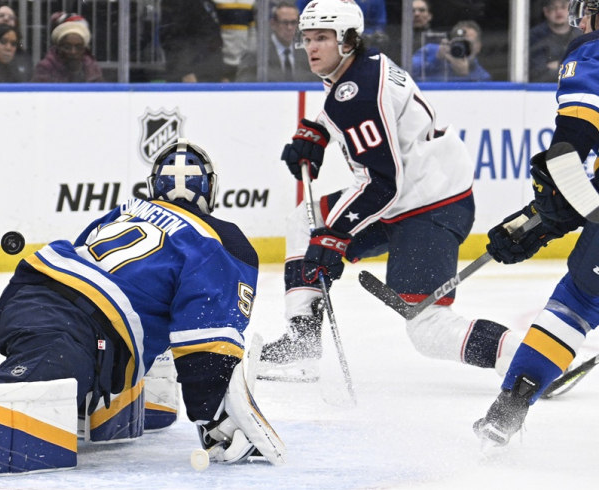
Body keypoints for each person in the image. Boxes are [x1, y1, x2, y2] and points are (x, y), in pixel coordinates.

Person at [256, 0, 521, 383]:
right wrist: (320, 129)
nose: (312, 48)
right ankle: (302, 345)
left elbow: (381, 182)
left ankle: (525, 357)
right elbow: (361, 115)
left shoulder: (359, 94)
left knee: (428, 329)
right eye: (307, 38)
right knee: (304, 220)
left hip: (429, 206)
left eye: (322, 39)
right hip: (411, 194)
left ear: (347, 41)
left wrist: (335, 235)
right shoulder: (365, 64)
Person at [0, 138, 286, 464]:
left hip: (29, 294)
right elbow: (204, 336)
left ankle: (122, 389)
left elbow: (88, 254)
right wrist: (214, 418)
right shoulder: (220, 239)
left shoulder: (128, 209)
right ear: (210, 188)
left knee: (133, 325)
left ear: (154, 186)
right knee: (10, 417)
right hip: (72, 332)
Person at [473, 0, 599, 447]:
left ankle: (511, 406)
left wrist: (546, 217)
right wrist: (539, 224)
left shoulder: (592, 52)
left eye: (587, 13)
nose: (581, 22)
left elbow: (569, 152)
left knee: (579, 302)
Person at [236, 1, 317, 82]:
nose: (289, 27)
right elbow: (243, 89)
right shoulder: (256, 55)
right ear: (273, 23)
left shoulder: (306, 55)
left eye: (293, 22)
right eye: (285, 22)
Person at [158, 0, 228, 82]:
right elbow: (171, 38)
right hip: (190, 76)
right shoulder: (174, 2)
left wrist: (222, 73)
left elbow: (214, 39)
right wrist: (184, 72)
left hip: (211, 72)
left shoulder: (209, 3)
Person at [32, 12, 104, 83]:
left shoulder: (92, 68)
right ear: (58, 47)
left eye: (78, 47)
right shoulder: (46, 67)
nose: (73, 52)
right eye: (67, 47)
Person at [411, 20, 491, 82]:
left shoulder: (482, 76)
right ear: (451, 41)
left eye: (468, 44)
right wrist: (435, 58)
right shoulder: (430, 51)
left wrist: (466, 75)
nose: (462, 47)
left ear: (478, 47)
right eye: (459, 42)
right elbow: (407, 71)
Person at [530, 0, 582, 83]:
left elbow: (586, 70)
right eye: (553, 8)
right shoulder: (535, 38)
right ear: (546, 11)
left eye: (563, 7)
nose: (559, 11)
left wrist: (557, 65)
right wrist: (570, 67)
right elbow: (536, 75)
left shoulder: (582, 36)